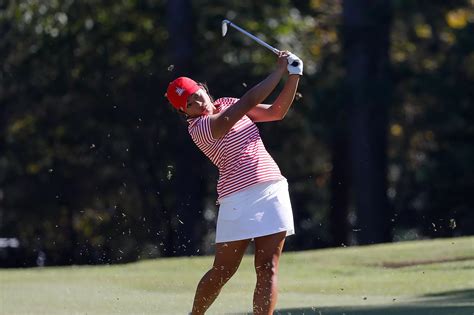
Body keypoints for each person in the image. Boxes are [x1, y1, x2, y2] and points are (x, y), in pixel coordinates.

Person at [166, 51, 302, 314]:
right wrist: (278, 71)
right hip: (236, 199)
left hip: (272, 188)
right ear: (184, 112)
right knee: (223, 270)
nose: (197, 103)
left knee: (268, 266)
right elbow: (248, 101)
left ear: (203, 89)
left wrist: (294, 75)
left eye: (197, 95)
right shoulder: (201, 128)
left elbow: (276, 112)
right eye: (190, 104)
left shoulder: (227, 101)